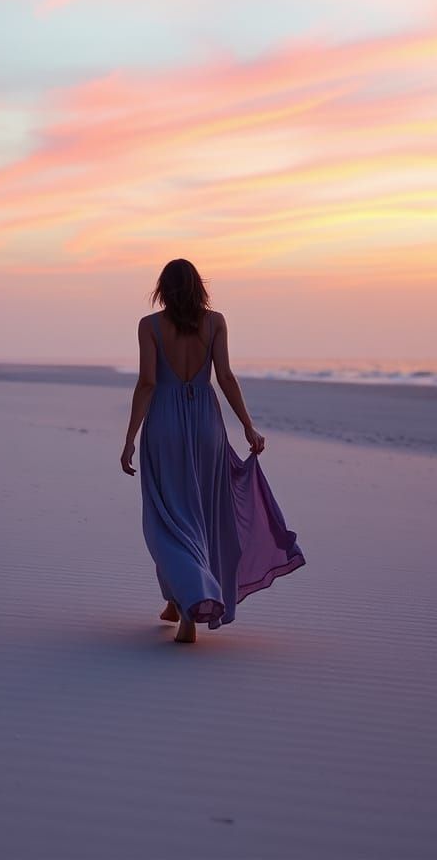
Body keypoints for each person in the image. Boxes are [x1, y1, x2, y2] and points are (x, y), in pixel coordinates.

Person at [120, 259, 306, 644]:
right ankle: (175, 602)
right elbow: (224, 377)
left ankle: (191, 606)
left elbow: (148, 383)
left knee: (168, 517)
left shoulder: (149, 326)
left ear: (163, 289)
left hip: (166, 425)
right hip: (206, 423)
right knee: (201, 514)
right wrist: (248, 425)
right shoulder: (216, 321)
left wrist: (130, 438)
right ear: (198, 287)